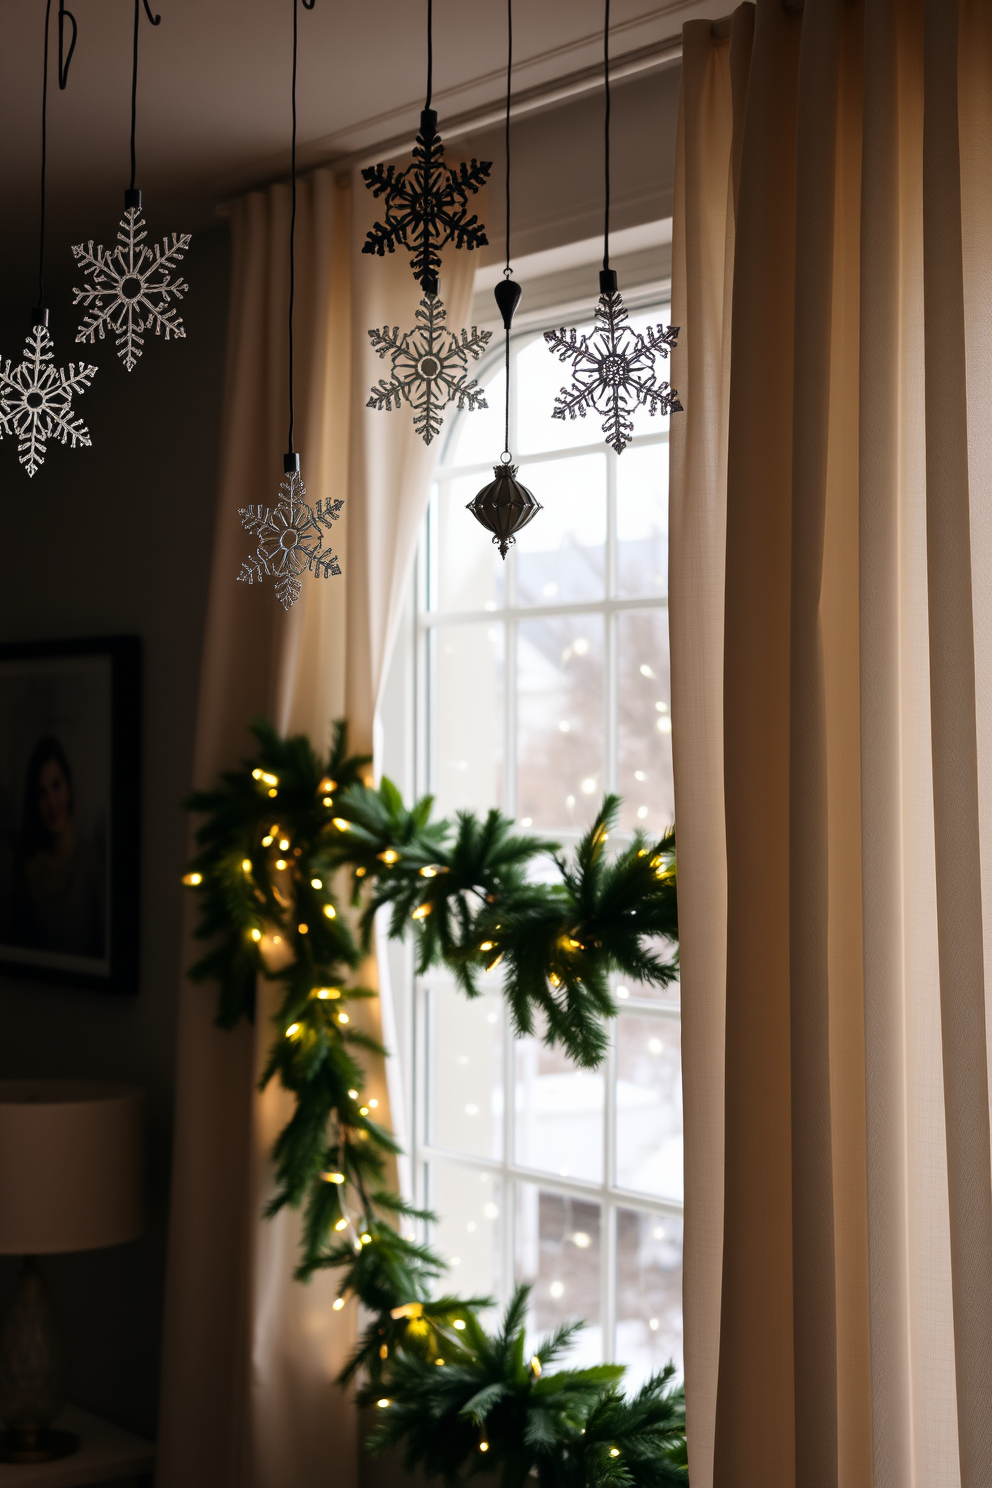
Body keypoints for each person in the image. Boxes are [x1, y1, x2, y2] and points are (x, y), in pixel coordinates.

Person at [11, 736, 105, 958]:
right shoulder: (30, 867)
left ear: (69, 786)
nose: (52, 803)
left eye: (56, 786)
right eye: (42, 794)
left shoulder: (91, 862)